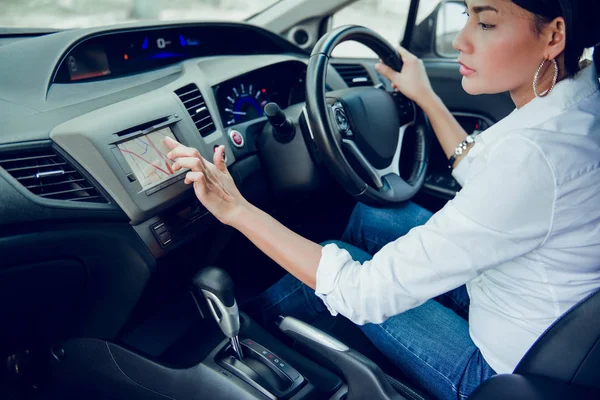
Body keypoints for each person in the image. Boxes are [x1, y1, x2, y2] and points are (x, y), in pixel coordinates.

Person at [164, 0, 600, 398]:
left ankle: (244, 339)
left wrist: (236, 209)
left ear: (554, 36)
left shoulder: (534, 158)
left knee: (334, 261)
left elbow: (361, 293)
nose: (461, 40)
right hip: (535, 315)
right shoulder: (578, 102)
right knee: (373, 214)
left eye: (485, 23)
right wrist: (424, 95)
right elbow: (485, 173)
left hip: (504, 373)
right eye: (465, 15)